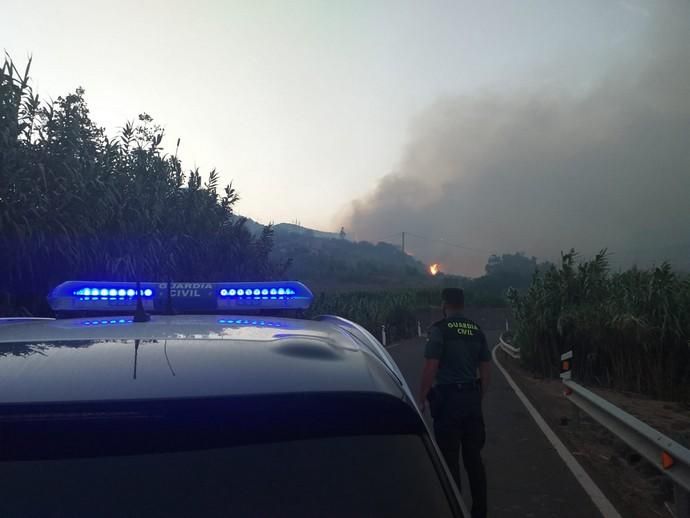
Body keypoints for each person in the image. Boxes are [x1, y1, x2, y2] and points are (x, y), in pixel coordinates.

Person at [418, 288, 490, 518]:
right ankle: (480, 512)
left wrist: (422, 398)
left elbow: (431, 367)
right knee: (474, 460)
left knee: (449, 462)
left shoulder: (439, 330)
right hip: (471, 399)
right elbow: (486, 370)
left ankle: (454, 511)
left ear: (444, 304)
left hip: (448, 401)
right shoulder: (476, 330)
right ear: (462, 304)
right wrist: (477, 397)